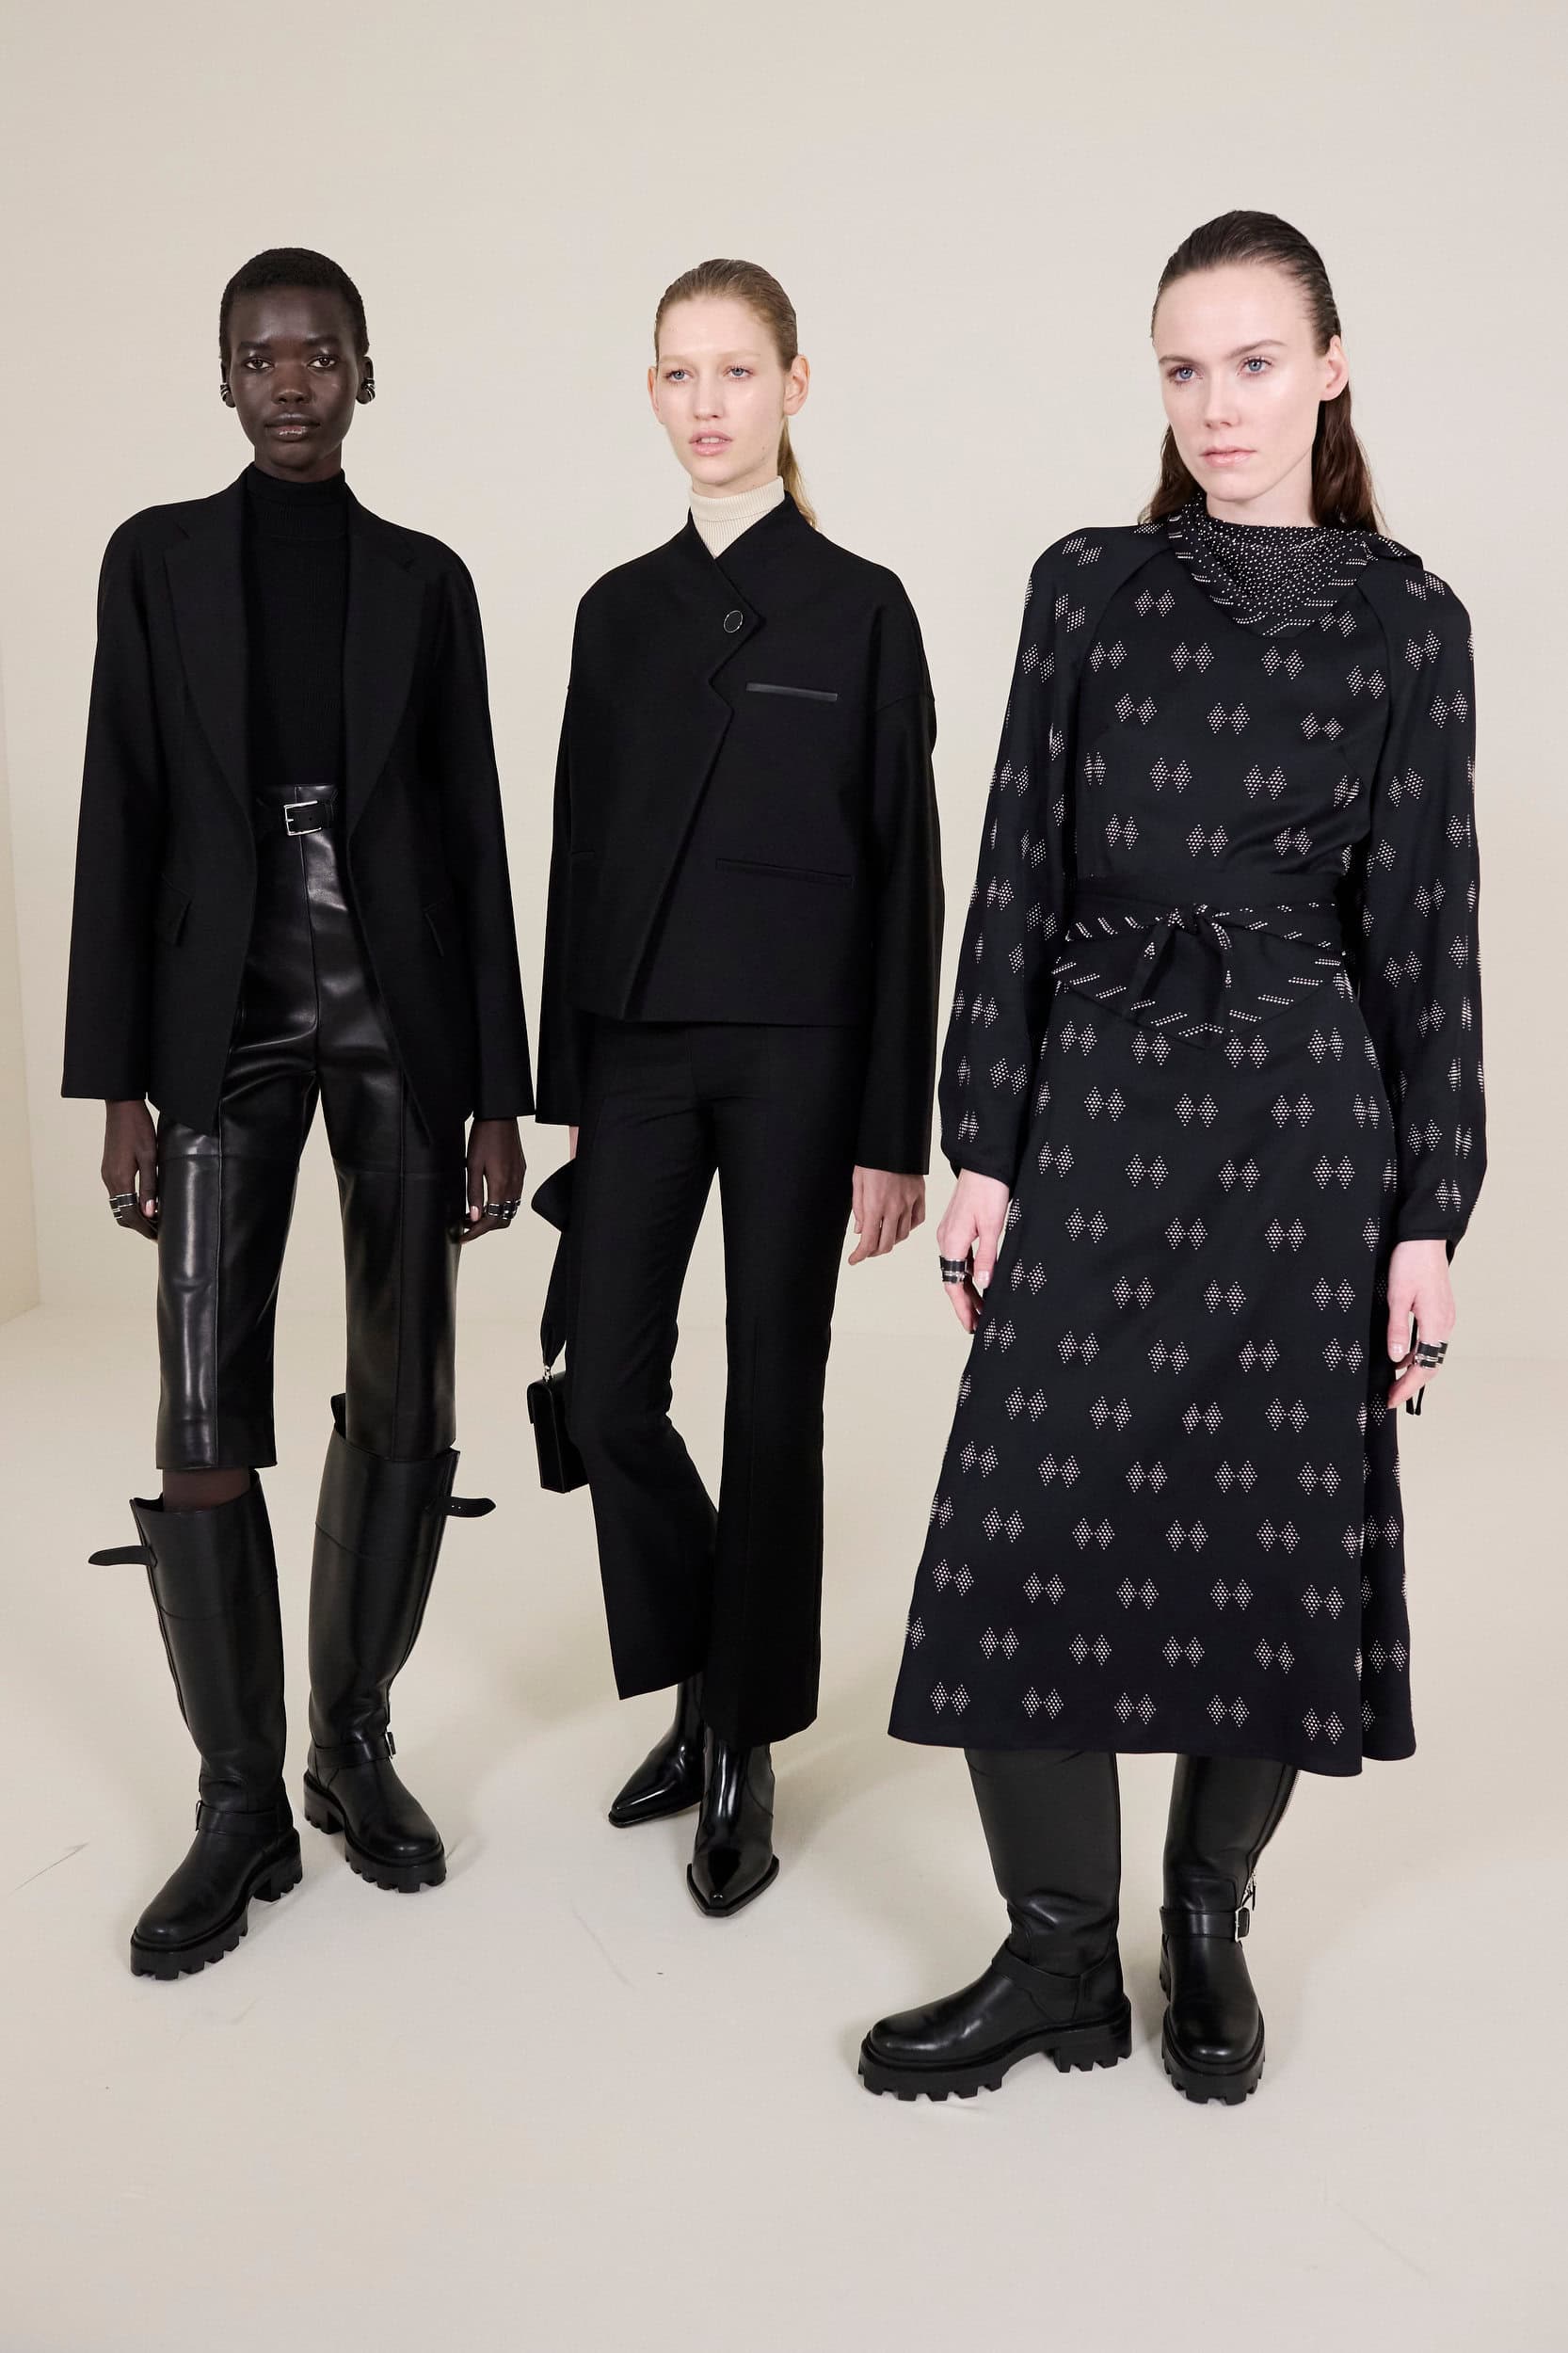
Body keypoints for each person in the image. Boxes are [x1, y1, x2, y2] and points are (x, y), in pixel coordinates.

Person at [860, 210, 1484, 2102]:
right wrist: (981, 1145)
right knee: (1013, 1531)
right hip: (1098, 1105)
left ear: (1328, 369)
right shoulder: (1086, 586)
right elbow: (1013, 866)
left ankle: (1202, 1921)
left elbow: (1426, 931)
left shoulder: (1410, 621)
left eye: (1253, 362)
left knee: (1269, 1541)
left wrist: (1428, 1215)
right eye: (1182, 368)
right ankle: (1057, 1953)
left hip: (1301, 1131)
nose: (1217, 405)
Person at [65, 248, 533, 1977]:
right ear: (222, 377)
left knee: (410, 1378)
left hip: (400, 999)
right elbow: (120, 804)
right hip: (220, 999)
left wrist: (497, 1095)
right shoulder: (153, 560)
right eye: (260, 357)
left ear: (364, 374)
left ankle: (353, 1743)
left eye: (320, 356)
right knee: (200, 1399)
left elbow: (474, 832)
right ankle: (236, 1801)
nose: (290, 383)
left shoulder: (428, 580)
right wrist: (117, 1077)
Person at [537, 258, 943, 1915]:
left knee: (775, 1398)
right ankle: (713, 1670)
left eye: (735, 370)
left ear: (792, 386)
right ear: (652, 393)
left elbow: (906, 881)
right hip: (637, 1047)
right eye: (678, 373)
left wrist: (893, 1132)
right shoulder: (614, 611)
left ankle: (744, 1743)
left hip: (799, 1058)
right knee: (605, 1395)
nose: (706, 403)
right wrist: (562, 1089)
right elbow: (575, 853)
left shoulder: (860, 605)